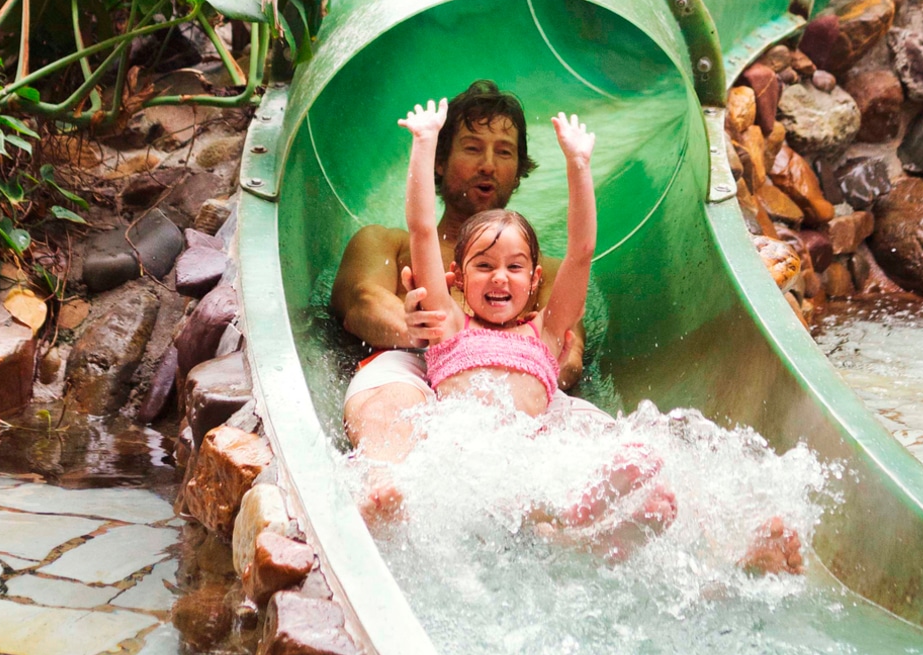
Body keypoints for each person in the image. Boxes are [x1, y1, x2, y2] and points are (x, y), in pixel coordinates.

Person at [357, 94, 805, 575]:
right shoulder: (449, 325)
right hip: (470, 454)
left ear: (535, 284)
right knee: (535, 495)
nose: (500, 278)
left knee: (635, 461)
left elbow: (581, 252)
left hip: (531, 447)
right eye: (483, 267)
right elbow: (422, 229)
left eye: (514, 267)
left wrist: (579, 164)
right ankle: (582, 519)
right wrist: (423, 144)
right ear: (459, 282)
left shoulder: (547, 332)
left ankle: (734, 543)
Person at [337, 79, 582, 460]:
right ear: (439, 159)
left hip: (516, 380)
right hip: (409, 365)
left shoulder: (542, 270)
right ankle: (385, 480)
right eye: (472, 148)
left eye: (504, 152)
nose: (488, 165)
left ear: (518, 170)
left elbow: (569, 349)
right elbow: (361, 303)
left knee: (581, 422)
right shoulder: (388, 243)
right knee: (391, 397)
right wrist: (429, 333)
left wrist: (515, 364)